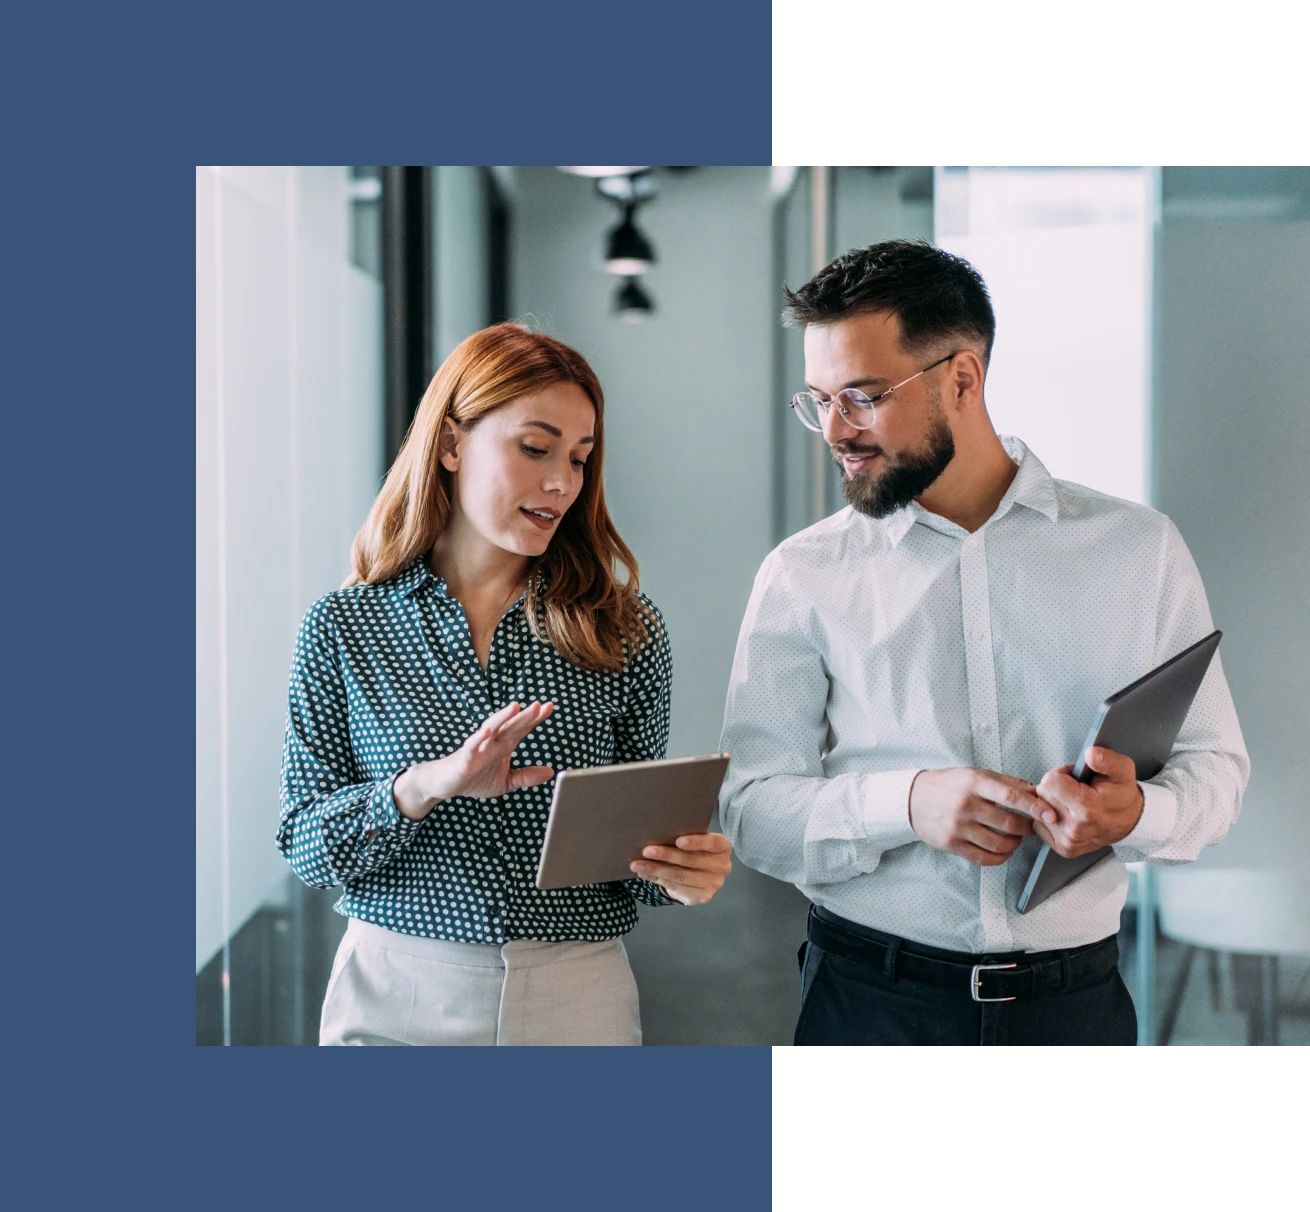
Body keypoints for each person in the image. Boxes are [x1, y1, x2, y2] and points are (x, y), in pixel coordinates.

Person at [718, 240, 1248, 1047]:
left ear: (962, 378)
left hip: (1079, 1007)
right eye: (818, 399)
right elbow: (751, 808)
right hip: (871, 1003)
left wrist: (1135, 811)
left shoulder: (1138, 549)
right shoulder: (803, 573)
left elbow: (1216, 771)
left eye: (861, 396)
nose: (834, 430)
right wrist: (907, 803)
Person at [277, 323, 732, 1046]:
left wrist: (682, 870)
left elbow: (637, 866)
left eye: (580, 458)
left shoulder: (624, 628)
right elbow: (306, 846)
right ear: (452, 444)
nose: (562, 481)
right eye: (535, 447)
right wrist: (423, 786)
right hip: (395, 989)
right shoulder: (345, 626)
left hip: (576, 994)